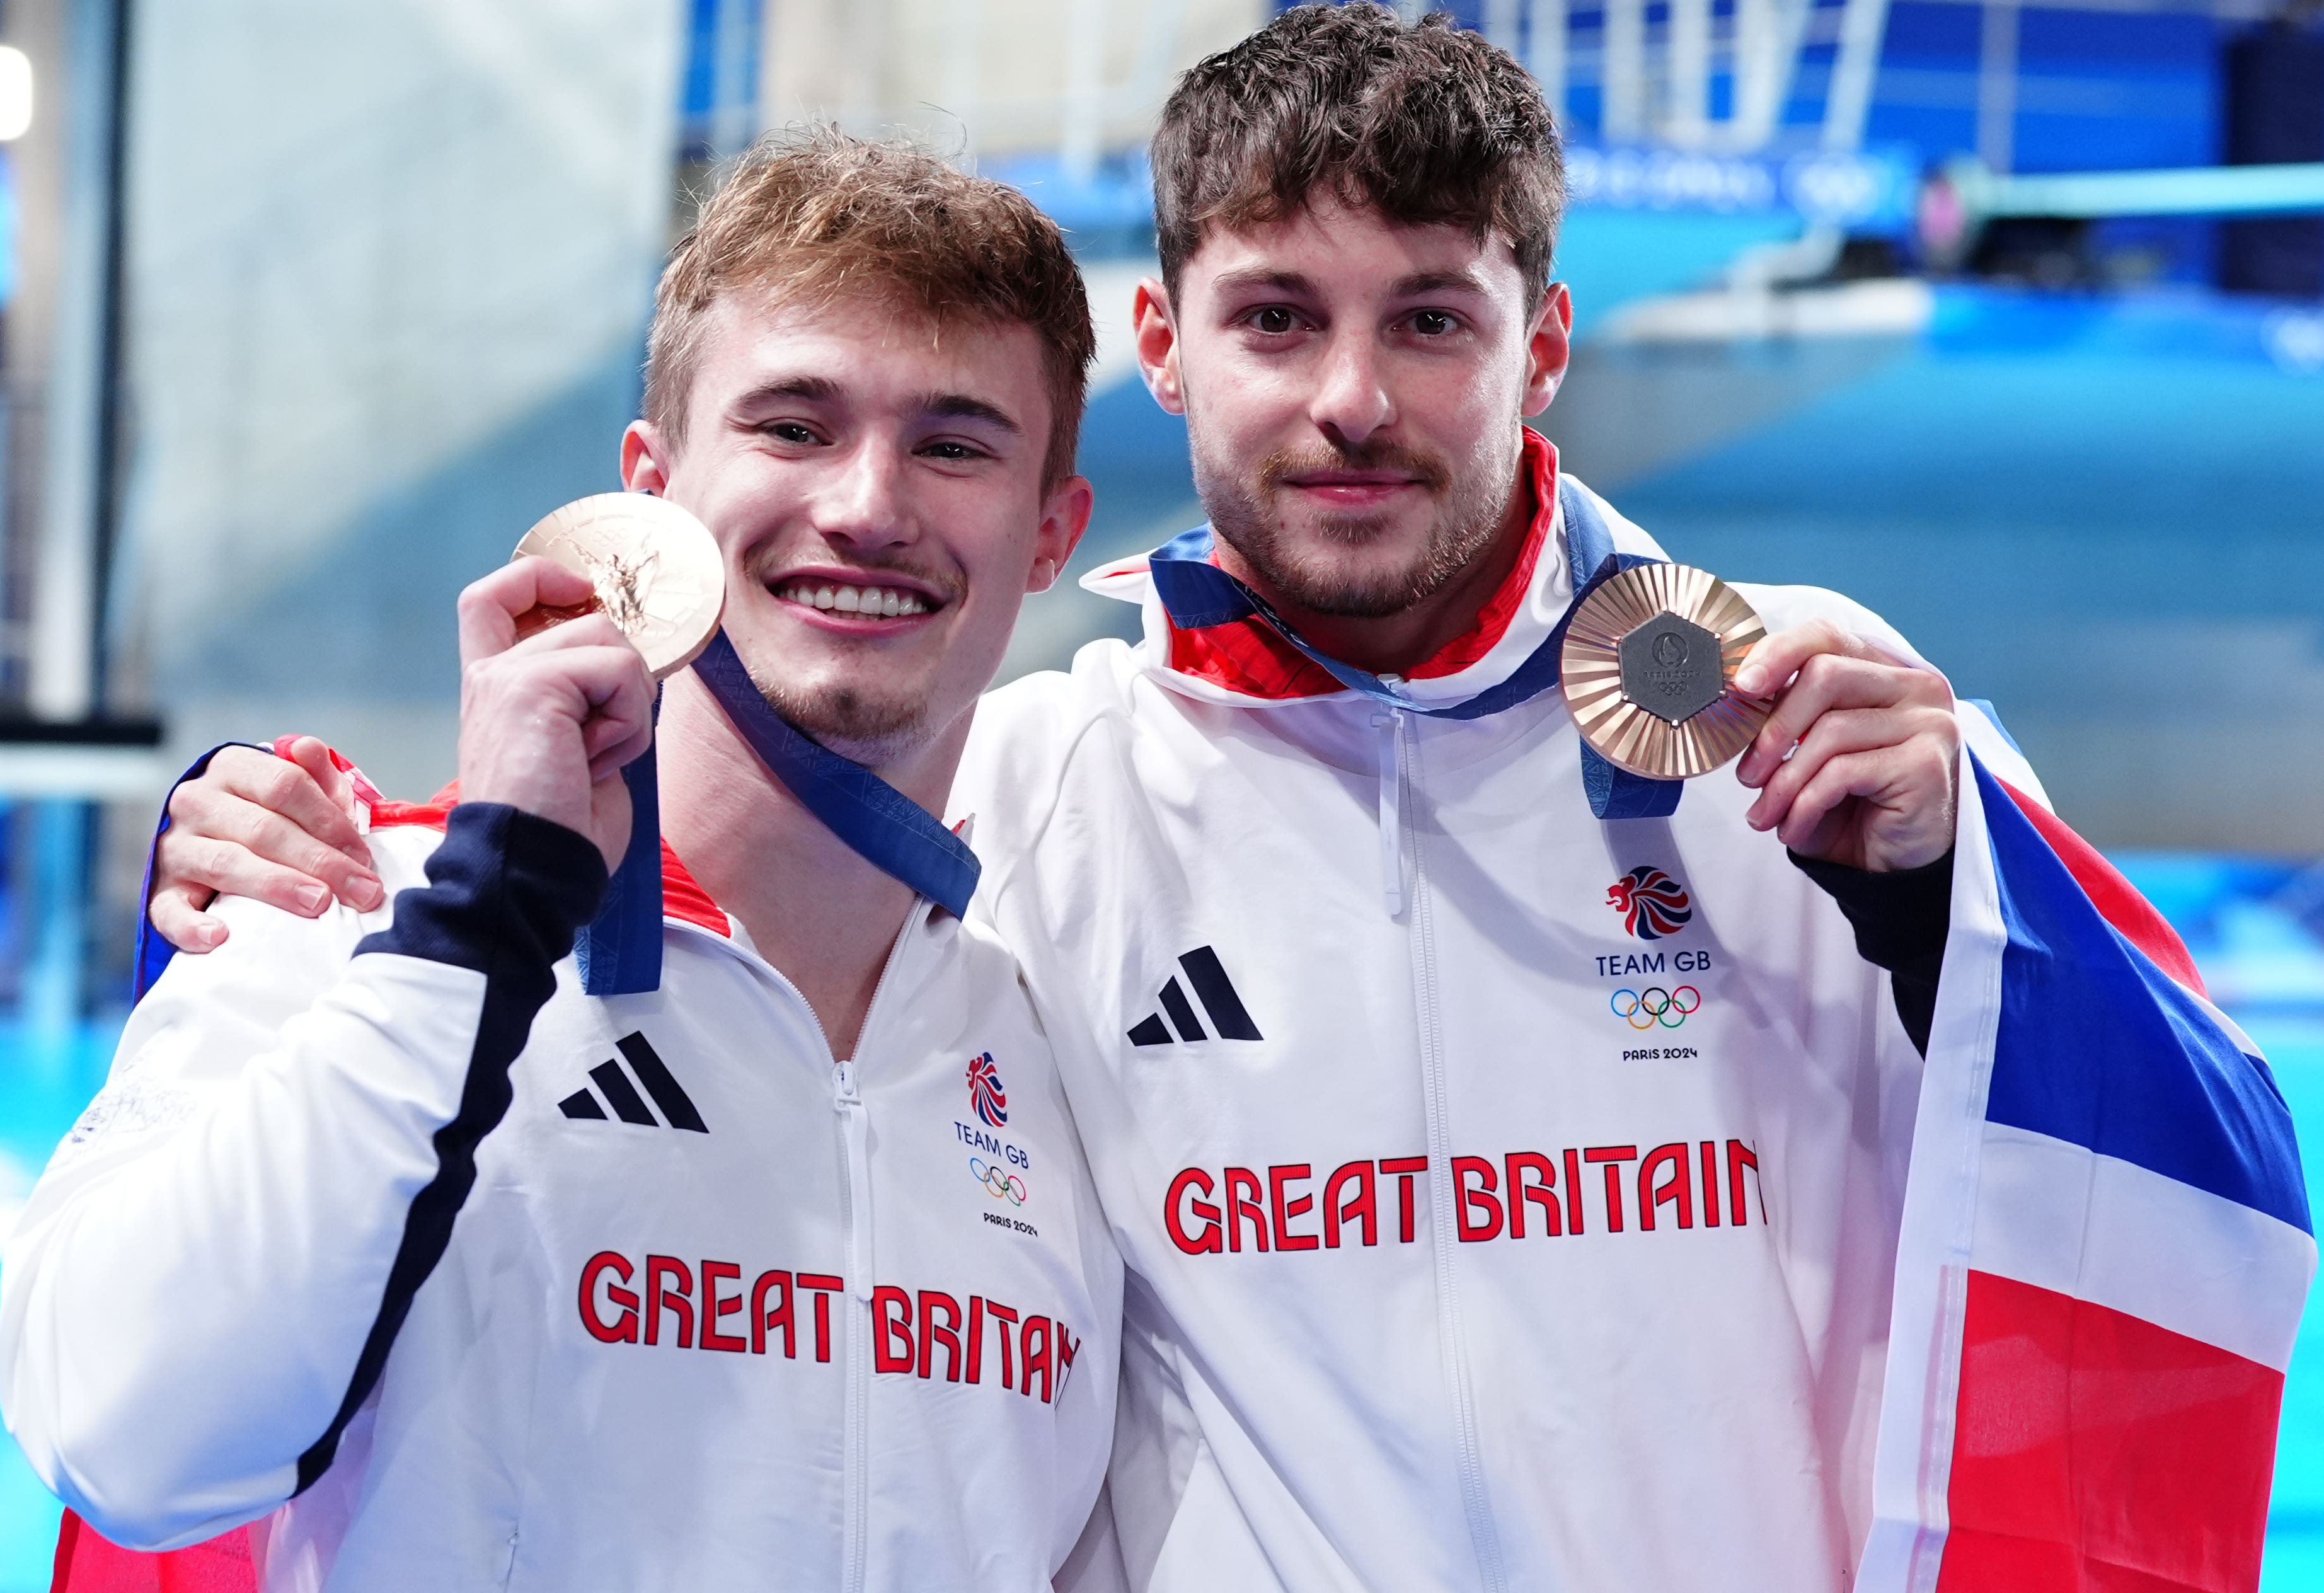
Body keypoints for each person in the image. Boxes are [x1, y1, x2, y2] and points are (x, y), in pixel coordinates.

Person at [130, 8, 2313, 1592]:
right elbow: (716, 820)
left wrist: (1952, 891)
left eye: (1430, 321)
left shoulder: (1805, 724)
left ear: (1545, 341)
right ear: (1168, 344)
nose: (1354, 399)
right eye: (1281, 316)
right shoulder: (1046, 777)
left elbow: (2199, 1171)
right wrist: (300, 846)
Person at [0, 132, 1124, 1592]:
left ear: (1052, 533)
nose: (865, 505)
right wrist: (481, 927)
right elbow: (122, 1436)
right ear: (651, 491)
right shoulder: (350, 911)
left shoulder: (1050, 1051)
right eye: (792, 426)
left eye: (955, 443)